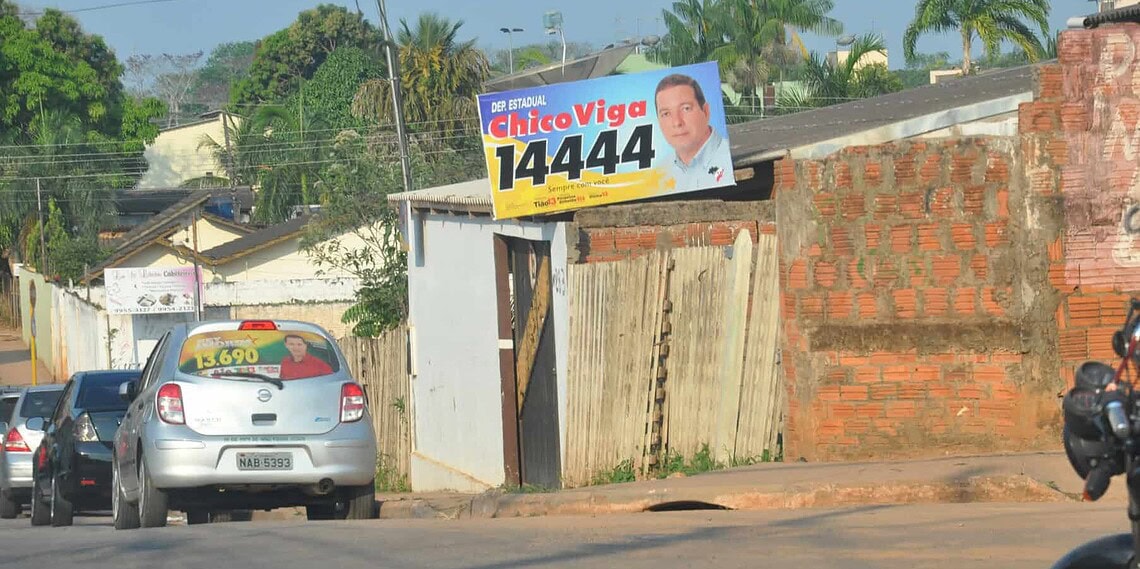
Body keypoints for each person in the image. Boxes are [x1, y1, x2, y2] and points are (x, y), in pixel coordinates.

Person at [653, 73, 733, 188]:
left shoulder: (731, 158)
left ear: (705, 111)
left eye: (686, 108)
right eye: (666, 114)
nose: (677, 122)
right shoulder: (659, 174)